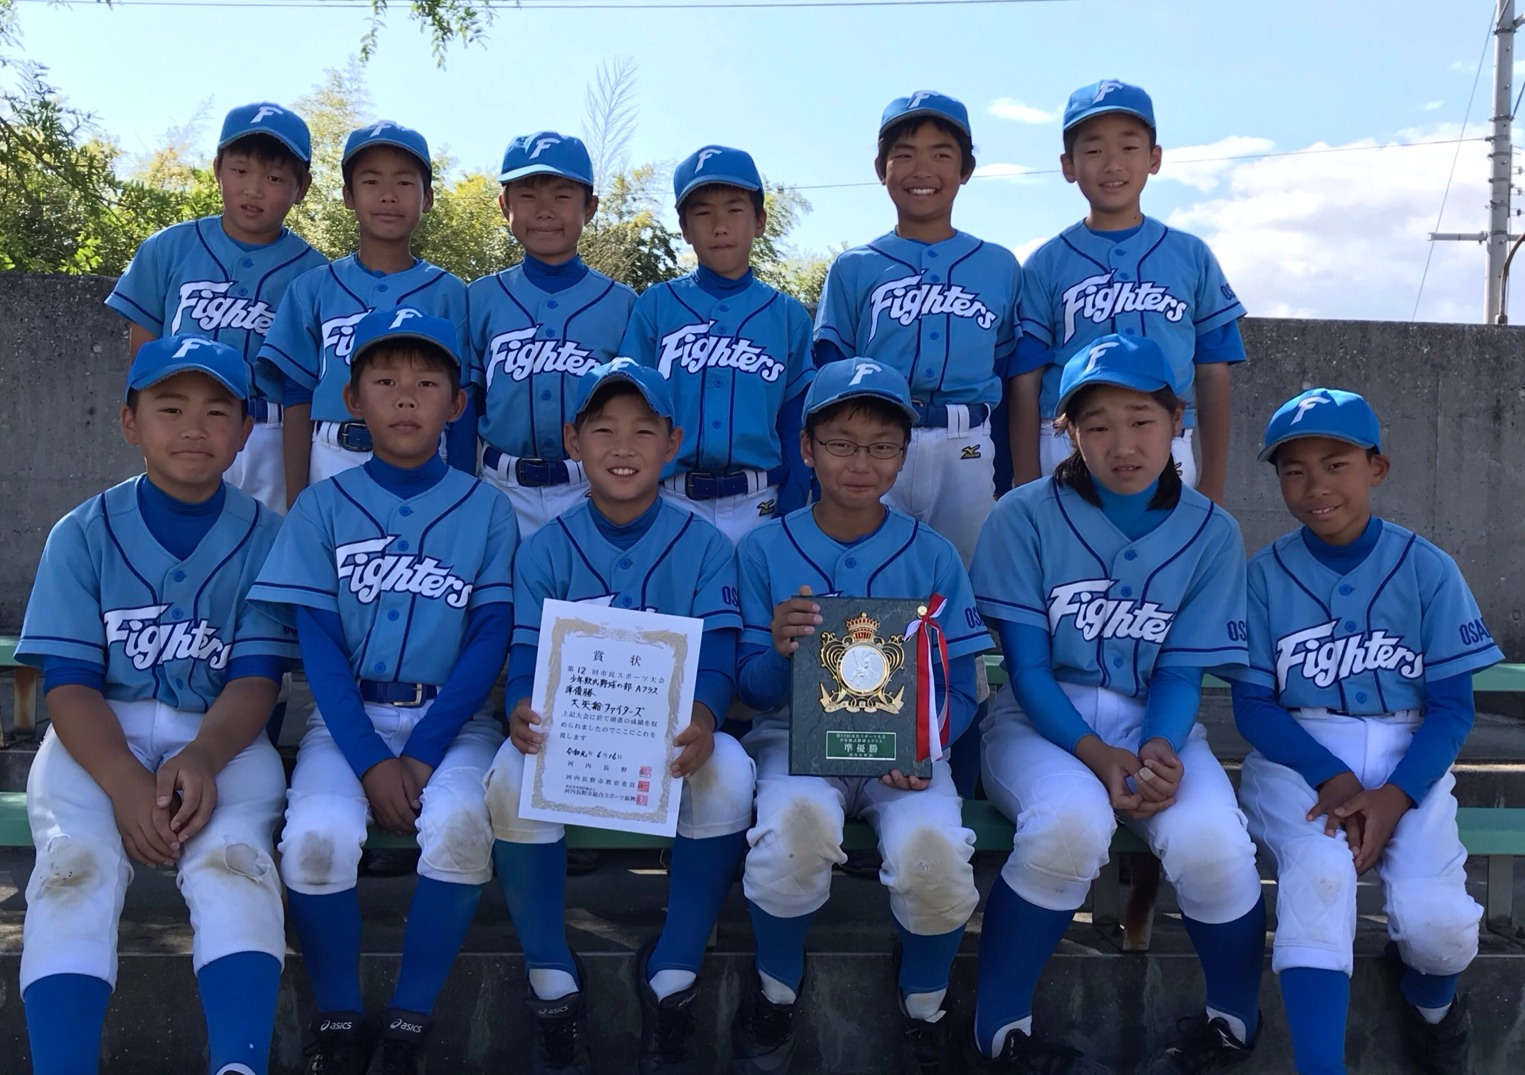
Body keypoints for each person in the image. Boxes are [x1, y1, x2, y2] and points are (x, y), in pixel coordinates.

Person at [968, 334, 1265, 1074]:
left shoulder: (1211, 531)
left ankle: (1231, 1028)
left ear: (1177, 422)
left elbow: (1180, 673)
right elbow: (1027, 669)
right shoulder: (1021, 515)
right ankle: (999, 1035)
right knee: (1068, 826)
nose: (1122, 444)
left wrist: (1160, 747)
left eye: (1141, 420)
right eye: (1096, 424)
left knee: (1215, 844)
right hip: (1040, 720)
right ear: (1067, 430)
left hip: (1155, 716)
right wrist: (1098, 755)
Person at [16, 336, 297, 1075]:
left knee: (236, 869)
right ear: (129, 422)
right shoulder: (81, 532)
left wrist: (203, 755)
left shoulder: (269, 538)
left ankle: (238, 1065)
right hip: (94, 736)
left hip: (222, 736)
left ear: (245, 430)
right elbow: (68, 684)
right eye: (170, 408)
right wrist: (122, 782)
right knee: (74, 870)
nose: (194, 427)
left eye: (217, 411)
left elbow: (256, 678)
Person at [248, 308, 517, 1073]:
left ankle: (408, 1021)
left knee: (461, 827)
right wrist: (370, 758)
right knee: (314, 839)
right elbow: (318, 646)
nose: (405, 396)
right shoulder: (321, 505)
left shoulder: (486, 507)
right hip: (347, 720)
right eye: (385, 380)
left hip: (454, 722)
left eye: (427, 383)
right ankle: (337, 1017)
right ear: (352, 399)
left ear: (457, 404)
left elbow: (489, 637)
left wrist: (424, 750)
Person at [482, 358, 755, 1074]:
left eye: (643, 430)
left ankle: (673, 972)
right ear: (574, 442)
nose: (623, 447)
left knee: (729, 771)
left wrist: (706, 716)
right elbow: (524, 656)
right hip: (574, 736)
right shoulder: (544, 547)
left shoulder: (705, 544)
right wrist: (519, 706)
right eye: (603, 430)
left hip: (668, 738)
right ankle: (552, 977)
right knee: (510, 776)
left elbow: (720, 657)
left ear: (673, 443)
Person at [729, 356, 991, 1075]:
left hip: (904, 755)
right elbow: (751, 689)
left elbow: (962, 686)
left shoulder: (933, 553)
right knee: (792, 831)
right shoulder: (763, 548)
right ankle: (776, 988)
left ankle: (924, 1004)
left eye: (881, 445)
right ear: (806, 447)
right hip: (794, 740)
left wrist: (924, 745)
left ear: (904, 454)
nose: (860, 461)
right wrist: (778, 648)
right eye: (841, 442)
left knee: (935, 849)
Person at [1234, 388, 1496, 1075]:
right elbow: (1253, 706)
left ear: (1376, 468)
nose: (1315, 485)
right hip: (1300, 755)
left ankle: (1431, 1006)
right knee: (1318, 879)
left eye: (1336, 464)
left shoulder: (1428, 568)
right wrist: (1333, 776)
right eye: (1294, 470)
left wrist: (1396, 795)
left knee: (1440, 929)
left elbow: (1452, 707)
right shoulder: (1263, 576)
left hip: (1409, 756)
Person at [1008, 80, 1246, 503]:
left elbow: (1213, 371)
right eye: (1094, 150)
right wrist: (1026, 481)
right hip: (1068, 439)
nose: (1113, 164)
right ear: (1068, 165)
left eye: (1129, 147)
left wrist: (1214, 481)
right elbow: (1025, 379)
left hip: (1169, 438)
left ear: (1154, 158)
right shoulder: (1046, 262)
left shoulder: (1190, 254)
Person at [813, 91, 1020, 565]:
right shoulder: (854, 266)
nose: (922, 170)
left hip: (967, 443)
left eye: (941, 154)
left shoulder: (998, 265)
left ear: (965, 169)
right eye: (904, 154)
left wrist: (1009, 470)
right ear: (881, 169)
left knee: (969, 577)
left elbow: (1011, 375)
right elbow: (829, 377)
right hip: (876, 442)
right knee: (868, 570)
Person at [105, 101, 325, 514]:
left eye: (274, 177)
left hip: (269, 433)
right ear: (217, 169)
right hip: (185, 427)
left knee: (265, 543)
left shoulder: (316, 273)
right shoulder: (167, 248)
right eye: (240, 170)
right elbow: (144, 360)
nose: (253, 189)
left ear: (302, 187)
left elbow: (305, 384)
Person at [255, 121, 471, 505]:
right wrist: (297, 498)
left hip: (425, 458)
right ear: (348, 196)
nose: (388, 195)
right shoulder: (313, 287)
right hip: (332, 454)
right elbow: (297, 394)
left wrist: (462, 493)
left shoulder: (449, 292)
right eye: (371, 181)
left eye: (404, 182)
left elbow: (463, 397)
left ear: (427, 198)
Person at [619, 144, 814, 545]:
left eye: (735, 210)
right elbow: (632, 410)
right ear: (685, 228)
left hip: (760, 499)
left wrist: (794, 502)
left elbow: (795, 418)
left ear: (760, 221)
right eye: (703, 213)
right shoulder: (656, 305)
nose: (720, 226)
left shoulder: (787, 315)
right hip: (671, 498)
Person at [469, 130, 636, 535]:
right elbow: (466, 402)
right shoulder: (479, 297)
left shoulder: (623, 303)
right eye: (527, 195)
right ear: (504, 205)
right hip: (499, 486)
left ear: (590, 207)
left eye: (562, 196)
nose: (544, 211)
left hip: (590, 487)